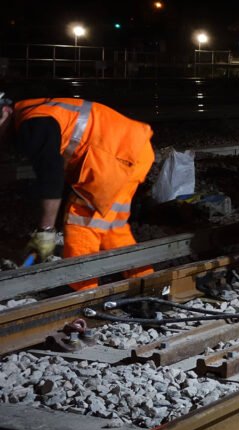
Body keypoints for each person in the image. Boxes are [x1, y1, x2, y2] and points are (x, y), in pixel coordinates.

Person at [0, 93, 155, 290]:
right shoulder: (35, 110)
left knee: (81, 220)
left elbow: (51, 176)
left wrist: (46, 231)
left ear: (5, 112)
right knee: (111, 226)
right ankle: (146, 281)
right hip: (133, 150)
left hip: (113, 156)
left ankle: (81, 290)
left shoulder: (34, 124)